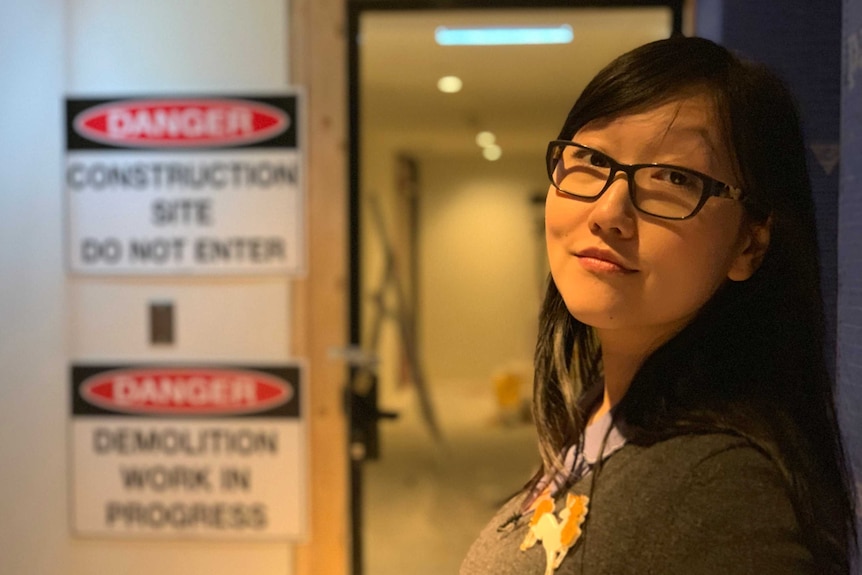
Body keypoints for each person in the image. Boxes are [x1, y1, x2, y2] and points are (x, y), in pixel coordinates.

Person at [460, 35, 856, 575]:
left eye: (673, 178)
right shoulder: (605, 410)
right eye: (591, 159)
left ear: (750, 244)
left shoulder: (725, 497)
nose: (609, 210)